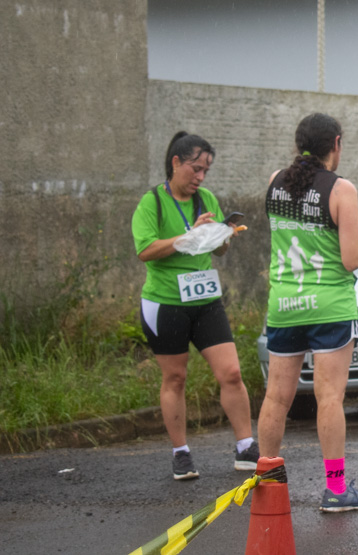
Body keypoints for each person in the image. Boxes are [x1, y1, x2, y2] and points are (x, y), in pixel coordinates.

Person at [256, 113, 358, 512]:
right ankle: (335, 488)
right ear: (337, 143)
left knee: (277, 398)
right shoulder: (341, 189)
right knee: (329, 398)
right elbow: (350, 260)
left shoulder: (276, 180)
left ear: (299, 145)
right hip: (329, 305)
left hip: (284, 304)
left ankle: (265, 483)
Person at [131, 131, 258, 481]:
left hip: (205, 300)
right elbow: (144, 250)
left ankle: (246, 446)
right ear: (176, 163)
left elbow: (218, 251)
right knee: (175, 377)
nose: (200, 177)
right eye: (196, 168)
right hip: (165, 303)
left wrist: (222, 236)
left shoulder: (206, 199)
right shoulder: (152, 202)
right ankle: (181, 453)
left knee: (231, 373)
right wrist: (186, 238)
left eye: (206, 171)